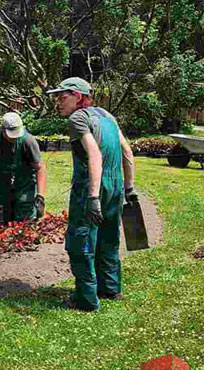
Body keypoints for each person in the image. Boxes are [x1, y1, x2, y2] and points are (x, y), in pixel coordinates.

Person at [47, 77, 137, 312]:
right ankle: (110, 288)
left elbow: (94, 155)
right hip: (115, 186)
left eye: (62, 97)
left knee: (81, 240)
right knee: (108, 237)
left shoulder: (78, 118)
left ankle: (86, 299)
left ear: (78, 96)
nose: (58, 102)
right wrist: (129, 188)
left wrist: (93, 197)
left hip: (91, 187)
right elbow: (127, 152)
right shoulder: (107, 116)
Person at [0, 112, 47, 221]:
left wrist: (40, 197)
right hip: (2, 183)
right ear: (3, 129)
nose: (13, 138)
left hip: (24, 184)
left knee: (24, 221)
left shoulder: (28, 141)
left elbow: (40, 168)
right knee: (2, 217)